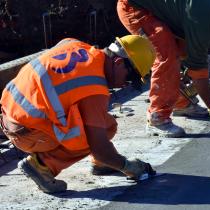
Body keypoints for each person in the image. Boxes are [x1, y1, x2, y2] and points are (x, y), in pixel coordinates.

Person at [0, 35, 156, 194]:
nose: (126, 84)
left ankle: (101, 164)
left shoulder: (74, 44)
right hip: (28, 132)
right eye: (130, 78)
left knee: (106, 125)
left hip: (10, 114)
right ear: (118, 62)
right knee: (92, 137)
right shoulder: (94, 88)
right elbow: (99, 148)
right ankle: (41, 166)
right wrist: (126, 166)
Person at [117, 0, 210, 137]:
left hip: (154, 8)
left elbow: (194, 59)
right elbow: (198, 73)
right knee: (167, 54)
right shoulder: (202, 21)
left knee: (184, 50)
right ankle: (157, 117)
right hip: (134, 7)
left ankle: (181, 103)